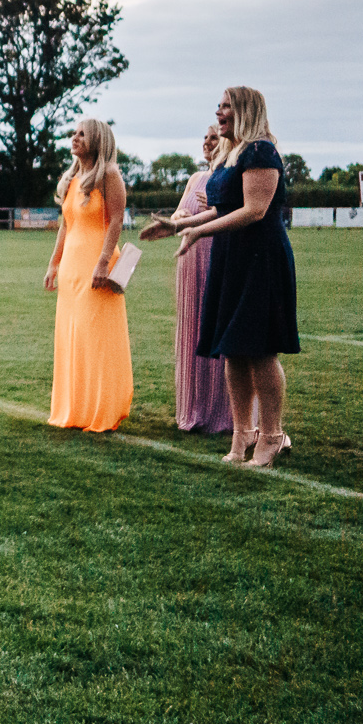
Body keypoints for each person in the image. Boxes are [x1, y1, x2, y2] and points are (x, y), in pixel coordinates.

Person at [145, 86, 298, 467]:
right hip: (231, 257)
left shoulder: (261, 151)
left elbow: (255, 210)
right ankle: (242, 434)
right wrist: (178, 224)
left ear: (246, 110)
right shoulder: (231, 155)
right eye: (219, 106)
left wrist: (199, 233)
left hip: (259, 258)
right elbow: (220, 210)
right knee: (232, 349)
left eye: (226, 106)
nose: (219, 112)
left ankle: (272, 435)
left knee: (260, 349)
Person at [44, 118, 134, 433]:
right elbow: (66, 224)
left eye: (82, 133)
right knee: (74, 337)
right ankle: (75, 409)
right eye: (74, 133)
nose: (75, 137)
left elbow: (115, 221)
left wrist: (103, 261)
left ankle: (102, 409)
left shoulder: (109, 175)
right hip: (71, 267)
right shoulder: (72, 177)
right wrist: (54, 263)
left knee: (97, 337)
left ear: (97, 139)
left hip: (98, 263)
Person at [160, 125, 233, 435]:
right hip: (189, 264)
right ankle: (194, 410)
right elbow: (179, 215)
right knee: (191, 332)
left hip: (219, 258)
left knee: (221, 333)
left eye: (213, 137)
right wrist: (177, 220)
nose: (206, 142)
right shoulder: (194, 179)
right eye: (204, 137)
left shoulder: (231, 176)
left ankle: (224, 415)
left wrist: (213, 212)